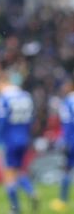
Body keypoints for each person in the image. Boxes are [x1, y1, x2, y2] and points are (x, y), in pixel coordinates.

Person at [0, 71, 39, 214]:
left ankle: (15, 208)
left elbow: (1, 121)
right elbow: (32, 119)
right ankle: (30, 190)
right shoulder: (26, 96)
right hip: (24, 137)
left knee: (8, 173)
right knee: (17, 170)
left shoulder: (2, 98)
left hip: (9, 138)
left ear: (2, 83)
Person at [51, 79, 74, 212]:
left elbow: (67, 123)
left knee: (66, 169)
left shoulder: (67, 102)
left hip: (72, 140)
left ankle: (62, 201)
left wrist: (65, 141)